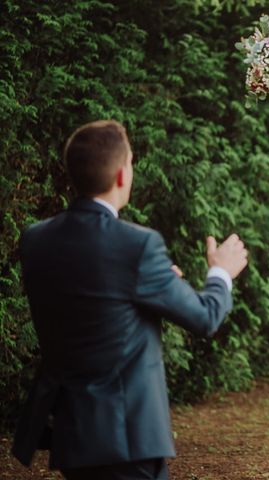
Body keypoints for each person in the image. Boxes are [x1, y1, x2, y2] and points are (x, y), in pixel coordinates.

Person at [12, 120, 248, 480]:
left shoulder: (36, 240)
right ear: (122, 175)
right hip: (127, 436)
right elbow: (205, 317)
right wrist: (221, 273)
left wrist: (150, 282)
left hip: (71, 432)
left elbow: (92, 301)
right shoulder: (137, 246)